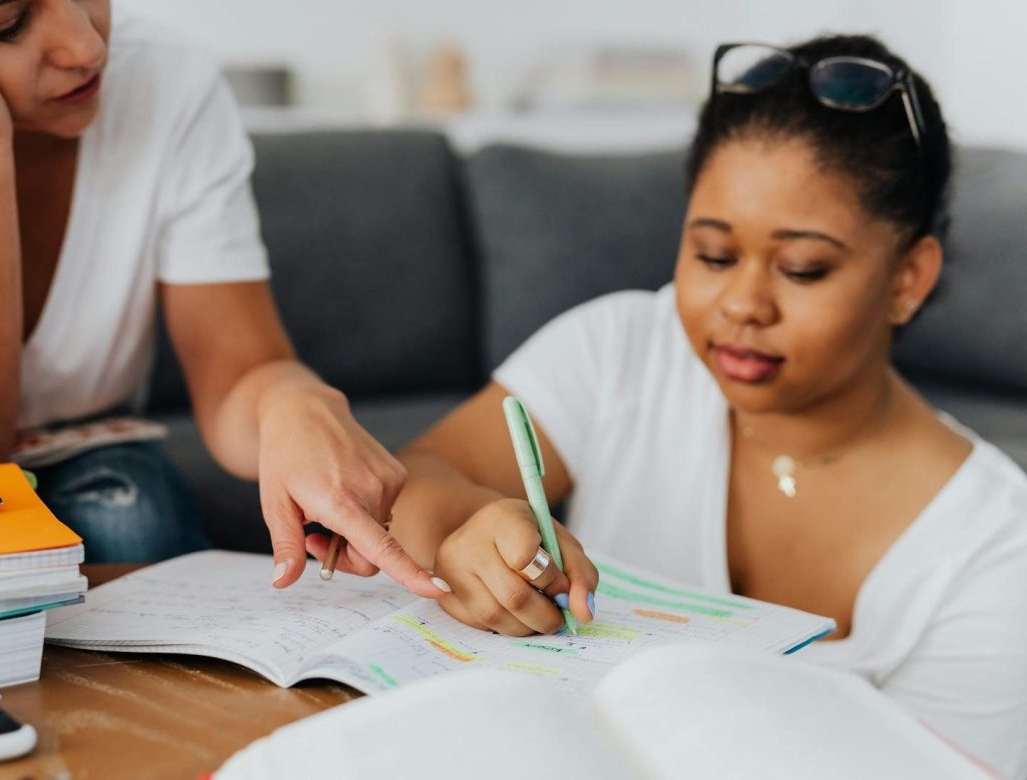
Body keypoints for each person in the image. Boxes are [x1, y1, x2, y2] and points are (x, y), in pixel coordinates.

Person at [380, 36, 1027, 777]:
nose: (743, 304)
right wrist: (469, 528)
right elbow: (415, 478)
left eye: (802, 269)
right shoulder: (625, 349)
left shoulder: (996, 553)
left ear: (909, 279)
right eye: (714, 256)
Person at [0, 0, 447, 599]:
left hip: (89, 448)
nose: (87, 48)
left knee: (132, 516)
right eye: (6, 22)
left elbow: (241, 371)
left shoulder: (167, 80)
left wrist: (291, 404)